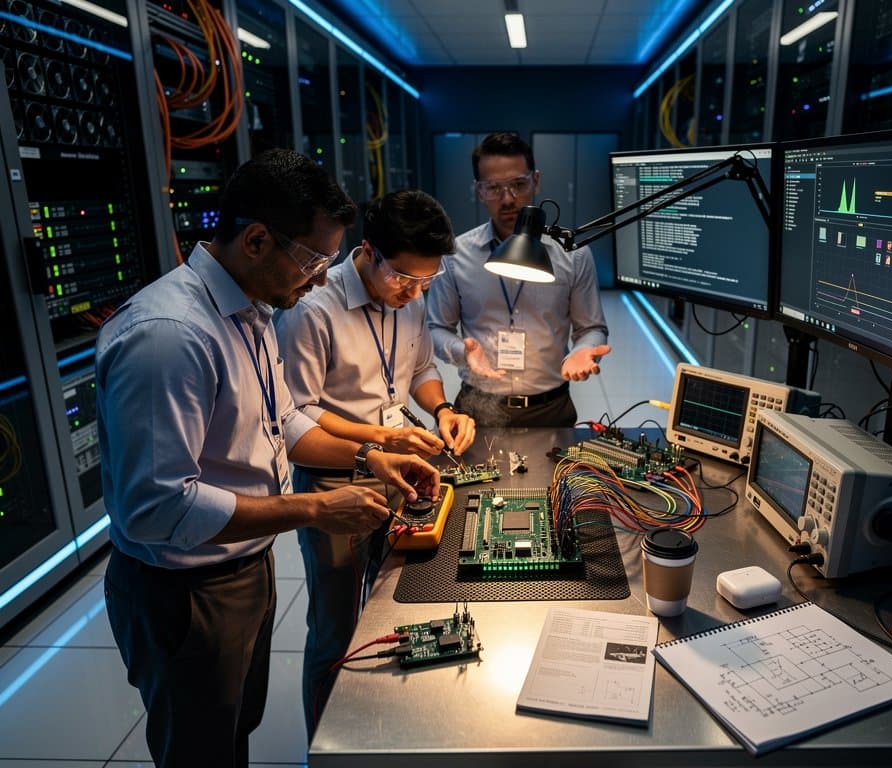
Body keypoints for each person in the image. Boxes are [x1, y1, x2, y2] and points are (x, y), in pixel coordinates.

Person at [96, 149, 439, 768]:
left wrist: (369, 456)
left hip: (242, 564)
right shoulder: (171, 336)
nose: (317, 281)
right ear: (256, 240)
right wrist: (311, 507)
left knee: (234, 731)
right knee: (198, 749)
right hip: (184, 587)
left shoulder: (250, 312)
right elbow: (158, 507)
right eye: (312, 261)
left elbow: (289, 421)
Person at [275, 188, 476, 738]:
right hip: (336, 475)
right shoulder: (314, 310)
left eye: (425, 283)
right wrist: (381, 441)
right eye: (403, 279)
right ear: (367, 251)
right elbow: (297, 417)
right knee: (336, 628)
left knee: (392, 607)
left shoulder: (407, 297)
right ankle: (324, 742)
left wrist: (440, 410)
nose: (413, 293)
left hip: (397, 463)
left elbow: (419, 368)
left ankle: (380, 731)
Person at [426, 131, 611, 427]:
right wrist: (464, 352)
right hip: (477, 408)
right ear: (478, 190)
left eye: (518, 185)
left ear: (535, 181)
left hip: (550, 408)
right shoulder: (456, 255)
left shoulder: (572, 255)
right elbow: (436, 329)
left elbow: (592, 328)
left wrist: (582, 351)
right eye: (494, 188)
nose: (508, 199)